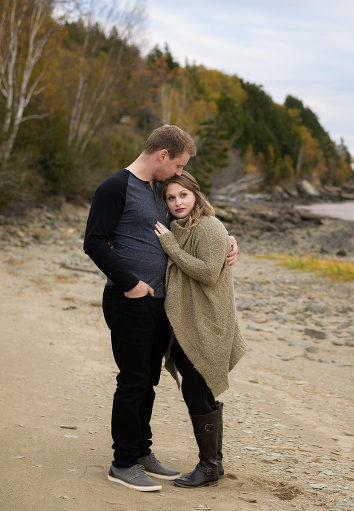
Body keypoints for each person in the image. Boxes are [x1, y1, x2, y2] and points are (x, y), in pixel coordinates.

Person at [83, 125, 238, 492]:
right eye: (178, 164)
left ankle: (141, 453)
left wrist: (230, 241)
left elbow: (191, 225)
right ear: (163, 155)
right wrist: (131, 284)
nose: (178, 174)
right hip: (129, 300)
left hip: (163, 304)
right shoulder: (115, 187)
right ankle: (122, 463)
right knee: (133, 381)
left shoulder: (159, 189)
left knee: (149, 382)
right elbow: (94, 242)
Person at [153, 171, 247, 488]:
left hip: (206, 324)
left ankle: (208, 466)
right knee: (201, 389)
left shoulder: (208, 226)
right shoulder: (180, 228)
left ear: (196, 194)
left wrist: (169, 246)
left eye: (183, 195)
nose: (177, 202)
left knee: (196, 390)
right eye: (170, 197)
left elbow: (208, 273)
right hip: (189, 323)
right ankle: (214, 464)